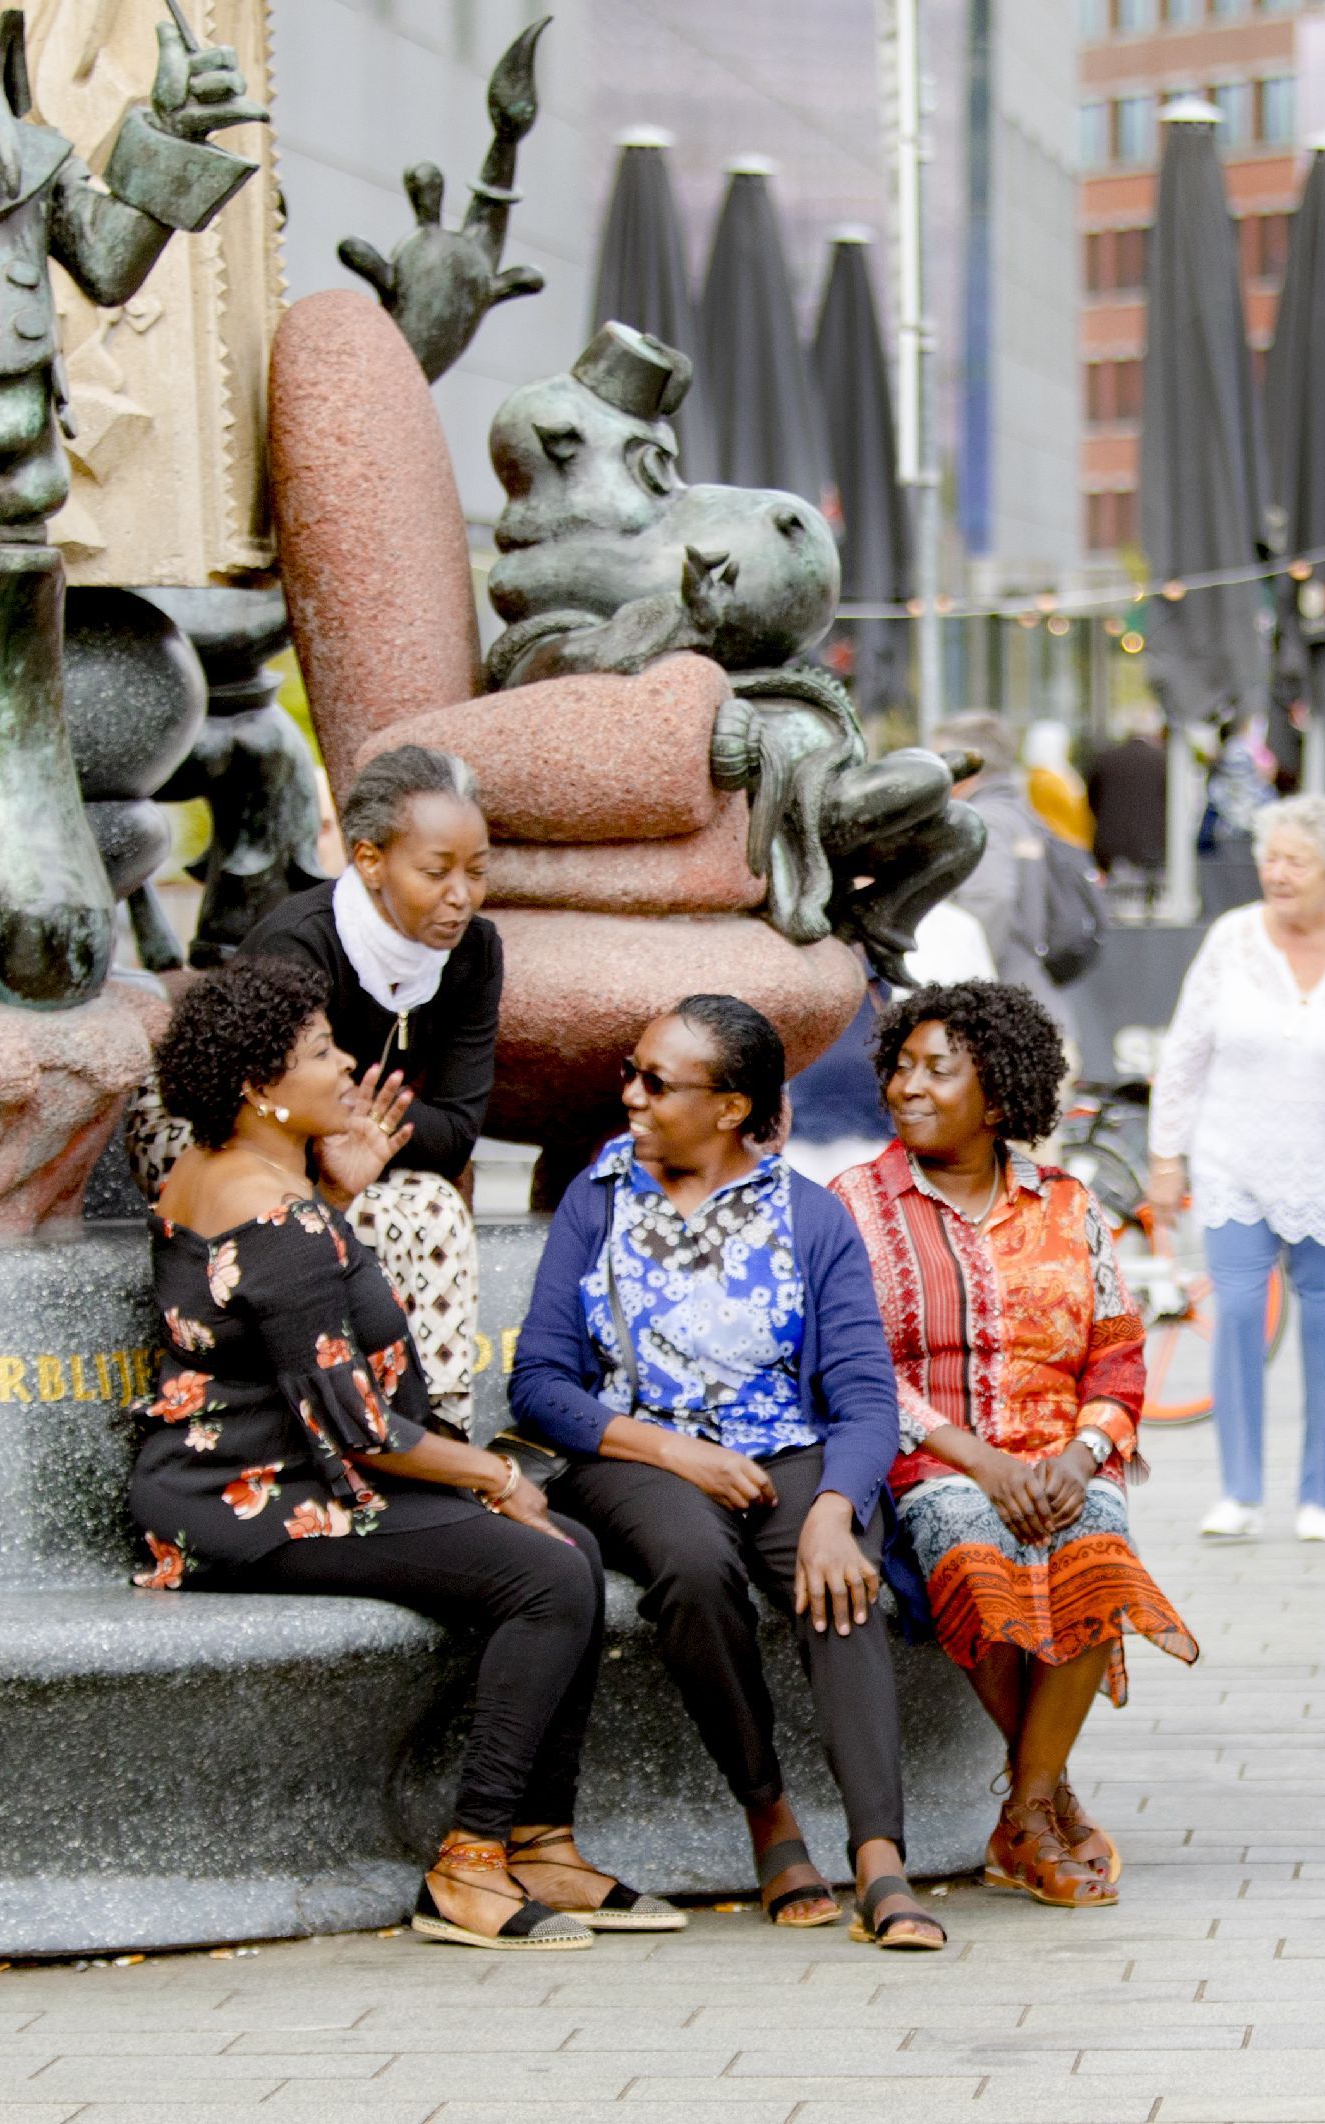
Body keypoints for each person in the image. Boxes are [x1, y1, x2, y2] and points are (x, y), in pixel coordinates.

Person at [134, 956, 676, 1952]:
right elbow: (361, 1428)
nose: (346, 1063)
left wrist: (335, 1194)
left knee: (569, 1553)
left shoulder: (223, 1172)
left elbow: (283, 1331)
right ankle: (469, 1864)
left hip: (256, 1476)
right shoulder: (275, 1213)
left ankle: (542, 1842)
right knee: (550, 1571)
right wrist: (495, 1474)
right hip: (258, 1503)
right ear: (260, 1087)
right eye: (318, 1053)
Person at [505, 995, 946, 1951]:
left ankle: (880, 1858)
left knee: (841, 1583)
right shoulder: (599, 1200)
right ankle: (770, 1817)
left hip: (786, 1452)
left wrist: (836, 1507)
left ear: (733, 1108)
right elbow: (537, 1383)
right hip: (634, 1453)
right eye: (632, 1070)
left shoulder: (808, 1216)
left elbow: (866, 1399)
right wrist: (669, 1449)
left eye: (656, 1082)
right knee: (694, 1569)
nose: (630, 1093)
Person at [831, 981, 1200, 1908]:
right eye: (901, 1067)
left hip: (1063, 1453)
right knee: (973, 1546)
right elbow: (861, 1366)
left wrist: (1080, 1458)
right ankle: (1041, 1811)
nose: (908, 1087)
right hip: (936, 1457)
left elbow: (1118, 1356)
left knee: (1096, 1551)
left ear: (997, 1100)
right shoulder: (857, 1206)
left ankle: (1027, 1807)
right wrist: (983, 1462)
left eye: (937, 1072)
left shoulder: (1070, 1207)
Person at [1146, 794, 1325, 1544]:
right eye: (1271, 857)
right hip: (1235, 1156)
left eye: (1295, 860)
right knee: (1237, 1315)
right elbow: (1183, 1055)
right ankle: (1239, 1490)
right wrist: (1166, 1155)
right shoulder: (1231, 941)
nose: (1277, 872)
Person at [227, 745, 504, 1427]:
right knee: (388, 1217)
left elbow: (457, 1135)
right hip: (238, 1144)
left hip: (365, 1160)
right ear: (370, 860)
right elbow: (271, 1115)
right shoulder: (300, 946)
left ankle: (440, 1427)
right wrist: (368, 1127)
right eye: (436, 872)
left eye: (476, 872)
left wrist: (358, 1121)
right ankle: (353, 1431)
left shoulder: (475, 952)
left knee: (431, 1205)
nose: (460, 897)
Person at [933, 711, 1079, 1030]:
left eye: (937, 763)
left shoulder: (984, 822)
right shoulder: (1022, 815)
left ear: (966, 770)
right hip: (1034, 1004)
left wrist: (959, 987)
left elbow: (991, 897)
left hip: (1004, 1022)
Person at [1087, 705, 1172, 912]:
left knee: (1114, 908)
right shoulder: (1163, 761)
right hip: (1153, 846)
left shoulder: (1105, 759)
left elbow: (1092, 801)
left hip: (1110, 847)